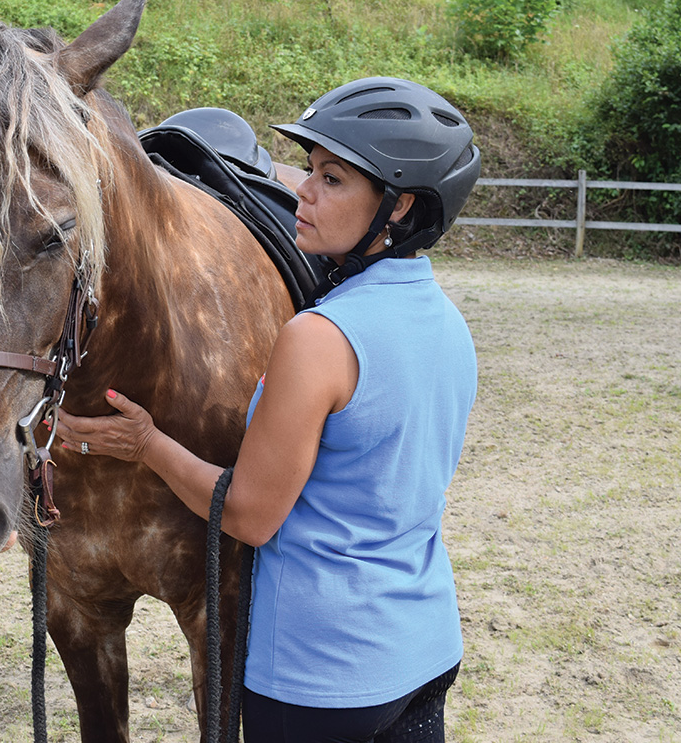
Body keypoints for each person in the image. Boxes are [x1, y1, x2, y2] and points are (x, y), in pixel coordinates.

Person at [58, 77, 481, 743]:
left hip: (323, 673)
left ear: (398, 208)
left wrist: (148, 444)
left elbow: (251, 516)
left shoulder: (318, 339)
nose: (301, 191)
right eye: (310, 171)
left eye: (332, 179)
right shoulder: (449, 324)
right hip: (423, 649)